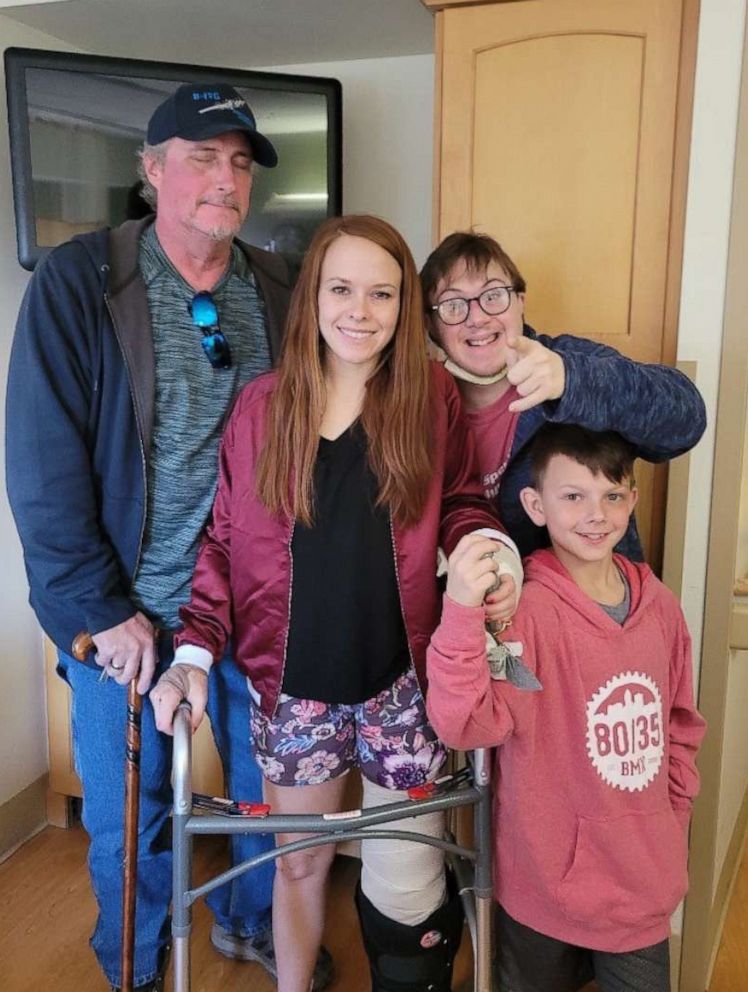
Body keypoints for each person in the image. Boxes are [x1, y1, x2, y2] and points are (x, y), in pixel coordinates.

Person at [5, 82, 332, 992]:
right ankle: (138, 965)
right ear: (152, 172)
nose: (224, 179)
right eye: (201, 158)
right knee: (129, 814)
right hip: (132, 615)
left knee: (266, 795)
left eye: (238, 163)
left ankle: (249, 921)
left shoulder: (279, 285)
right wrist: (102, 614)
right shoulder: (81, 282)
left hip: (259, 602)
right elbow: (41, 462)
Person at [149, 214, 522, 992]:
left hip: (403, 684)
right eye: (342, 289)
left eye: (382, 293)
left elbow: (456, 500)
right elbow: (223, 542)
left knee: (409, 862)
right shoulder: (261, 408)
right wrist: (190, 653)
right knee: (303, 862)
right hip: (294, 692)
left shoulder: (431, 400)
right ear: (313, 296)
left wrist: (487, 544)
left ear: (403, 307)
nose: (361, 310)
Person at [426, 423, 707, 992]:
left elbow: (680, 725)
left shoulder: (663, 610)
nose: (595, 514)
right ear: (535, 504)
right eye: (573, 496)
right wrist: (460, 610)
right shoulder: (524, 614)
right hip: (542, 888)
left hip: (643, 884)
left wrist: (672, 821)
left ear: (632, 498)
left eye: (611, 495)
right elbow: (464, 723)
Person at [420, 232, 707, 559]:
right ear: (431, 324)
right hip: (462, 602)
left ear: (521, 302)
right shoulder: (418, 399)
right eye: (453, 305)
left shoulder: (572, 360)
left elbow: (686, 421)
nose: (478, 318)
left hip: (586, 601)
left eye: (494, 295)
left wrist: (571, 381)